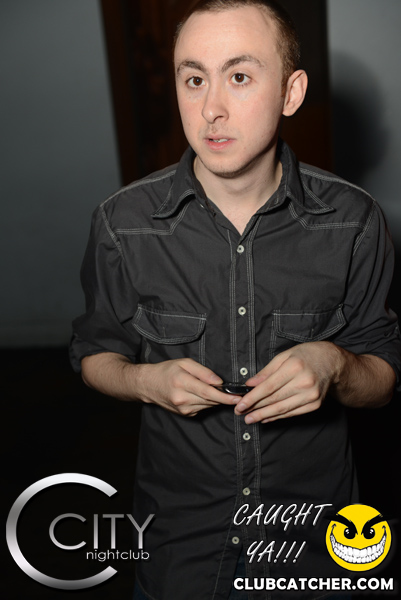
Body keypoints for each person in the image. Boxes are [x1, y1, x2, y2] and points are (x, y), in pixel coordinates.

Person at [70, 1, 400, 598]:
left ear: (291, 93)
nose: (211, 109)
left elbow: (383, 379)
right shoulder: (123, 224)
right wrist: (145, 381)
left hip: (314, 547)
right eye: (194, 79)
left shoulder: (355, 222)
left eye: (240, 76)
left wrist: (334, 364)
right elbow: (94, 354)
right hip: (180, 548)